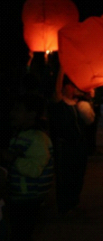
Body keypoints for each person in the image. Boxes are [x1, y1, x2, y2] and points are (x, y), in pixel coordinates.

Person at [2, 94, 54, 241]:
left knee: (21, 233)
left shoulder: (37, 138)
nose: (12, 113)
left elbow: (34, 169)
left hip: (28, 198)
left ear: (31, 114)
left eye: (18, 109)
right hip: (20, 195)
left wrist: (12, 159)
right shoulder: (21, 134)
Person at [48, 68, 94, 217]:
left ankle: (74, 203)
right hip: (65, 146)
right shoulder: (59, 103)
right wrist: (62, 68)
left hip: (79, 145)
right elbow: (56, 90)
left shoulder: (77, 103)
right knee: (65, 177)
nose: (73, 88)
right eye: (70, 85)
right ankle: (65, 207)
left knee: (78, 175)